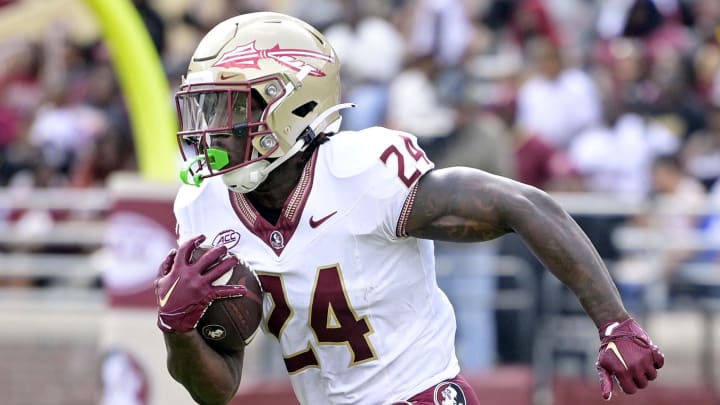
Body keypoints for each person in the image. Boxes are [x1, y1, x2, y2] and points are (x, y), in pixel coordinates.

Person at [153, 12, 664, 405]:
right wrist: (177, 330)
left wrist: (614, 322)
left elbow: (522, 203)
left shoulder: (363, 172)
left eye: (229, 107)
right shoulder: (203, 207)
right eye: (206, 107)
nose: (213, 128)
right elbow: (217, 390)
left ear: (293, 105)